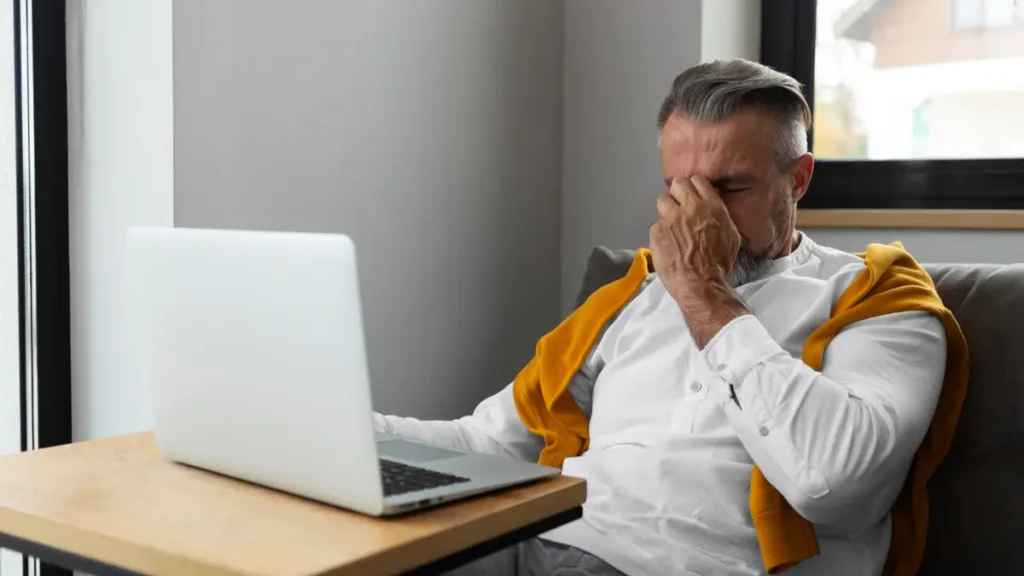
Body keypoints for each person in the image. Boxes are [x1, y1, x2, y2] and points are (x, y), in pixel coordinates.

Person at [374, 59, 966, 576]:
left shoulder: (878, 295)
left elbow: (833, 483)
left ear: (800, 178)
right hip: (538, 544)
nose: (696, 215)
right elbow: (487, 442)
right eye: (680, 188)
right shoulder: (632, 295)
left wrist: (704, 294)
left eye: (730, 187)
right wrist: (344, 433)